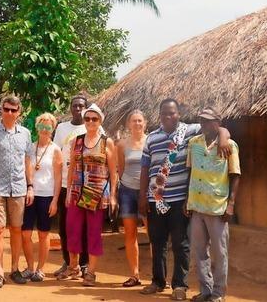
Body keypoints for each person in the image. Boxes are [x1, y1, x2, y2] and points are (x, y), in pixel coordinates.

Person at [138, 99, 232, 300]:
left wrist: (223, 137)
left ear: (178, 114)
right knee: (158, 243)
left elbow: (217, 127)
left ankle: (179, 285)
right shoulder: (151, 138)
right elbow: (145, 168)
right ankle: (157, 281)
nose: (167, 116)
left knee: (181, 244)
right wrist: (142, 196)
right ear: (159, 115)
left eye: (171, 113)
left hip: (180, 199)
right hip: (156, 199)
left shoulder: (190, 130)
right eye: (164, 113)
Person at [185, 108, 241, 302]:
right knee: (199, 251)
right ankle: (206, 290)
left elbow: (235, 175)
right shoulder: (194, 144)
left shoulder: (230, 146)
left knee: (220, 253)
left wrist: (231, 204)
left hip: (217, 206)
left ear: (218, 122)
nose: (205, 125)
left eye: (209, 121)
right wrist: (187, 200)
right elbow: (189, 172)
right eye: (202, 121)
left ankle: (218, 294)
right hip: (197, 205)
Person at [0, 95, 34, 288]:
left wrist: (30, 186)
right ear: (1, 110)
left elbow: (27, 161)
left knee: (17, 229)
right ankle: (0, 273)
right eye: (6, 109)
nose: (9, 113)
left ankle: (14, 269)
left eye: (13, 110)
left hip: (19, 188)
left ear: (19, 112)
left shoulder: (26, 134)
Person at [61, 103, 117, 287]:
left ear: (100, 120)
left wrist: (113, 196)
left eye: (94, 119)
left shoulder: (106, 142)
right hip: (77, 192)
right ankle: (74, 266)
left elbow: (113, 171)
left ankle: (91, 272)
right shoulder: (76, 141)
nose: (90, 122)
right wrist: (68, 191)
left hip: (97, 194)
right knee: (72, 230)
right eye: (87, 119)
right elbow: (72, 168)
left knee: (93, 233)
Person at [21, 113, 62, 282]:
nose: (45, 130)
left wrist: (55, 201)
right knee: (25, 233)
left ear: (53, 129)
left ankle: (40, 269)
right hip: (30, 194)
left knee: (44, 234)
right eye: (42, 127)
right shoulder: (30, 147)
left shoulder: (55, 150)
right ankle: (30, 267)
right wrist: (29, 188)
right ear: (37, 128)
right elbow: (26, 169)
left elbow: (59, 178)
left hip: (47, 195)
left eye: (48, 127)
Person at [52, 94, 90, 277]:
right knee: (64, 226)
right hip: (65, 184)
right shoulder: (61, 128)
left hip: (85, 185)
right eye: (75, 106)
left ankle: (83, 264)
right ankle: (67, 262)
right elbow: (56, 154)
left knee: (83, 226)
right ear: (70, 108)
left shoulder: (91, 126)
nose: (78, 109)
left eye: (81, 106)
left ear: (86, 108)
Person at [116, 109, 147, 287]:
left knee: (153, 233)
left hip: (147, 192)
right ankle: (134, 274)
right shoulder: (121, 145)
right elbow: (120, 170)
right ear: (129, 124)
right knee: (130, 233)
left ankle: (159, 276)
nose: (137, 124)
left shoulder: (150, 142)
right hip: (127, 191)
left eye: (139, 121)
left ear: (145, 123)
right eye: (133, 121)